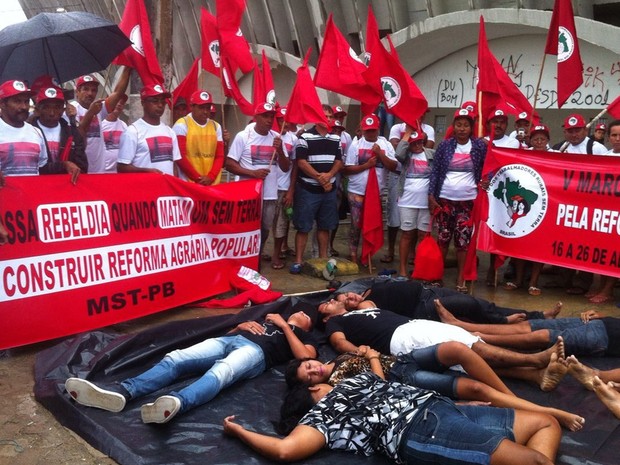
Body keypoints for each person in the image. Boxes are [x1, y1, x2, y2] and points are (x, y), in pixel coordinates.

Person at [223, 372, 561, 464]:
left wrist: (460, 402)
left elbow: (393, 387)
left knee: (546, 423)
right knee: (533, 461)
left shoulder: (355, 381)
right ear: (310, 392)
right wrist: (238, 431)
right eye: (311, 379)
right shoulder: (323, 414)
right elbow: (285, 451)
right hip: (419, 430)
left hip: (444, 408)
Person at [65, 310, 317, 423]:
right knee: (177, 358)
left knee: (222, 371)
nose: (304, 313)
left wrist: (285, 326)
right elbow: (229, 335)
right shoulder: (268, 320)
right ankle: (124, 392)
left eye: (308, 317)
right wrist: (238, 328)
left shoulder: (304, 337)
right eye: (302, 312)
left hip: (256, 353)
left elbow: (305, 357)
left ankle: (176, 403)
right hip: (231, 339)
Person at [288, 343, 584, 430]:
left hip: (403, 360)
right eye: (310, 377)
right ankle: (547, 411)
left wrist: (365, 352)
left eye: (309, 366)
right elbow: (377, 386)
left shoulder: (339, 357)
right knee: (476, 390)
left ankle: (515, 398)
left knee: (458, 349)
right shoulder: (336, 387)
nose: (314, 371)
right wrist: (373, 357)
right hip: (401, 380)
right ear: (313, 387)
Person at [318, 298, 564, 370]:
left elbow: (366, 302)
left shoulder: (359, 309)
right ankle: (535, 359)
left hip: (414, 325)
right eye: (326, 305)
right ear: (327, 317)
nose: (331, 301)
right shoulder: (335, 323)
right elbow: (340, 344)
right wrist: (364, 353)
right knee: (472, 348)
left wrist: (346, 300)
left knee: (473, 342)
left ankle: (532, 360)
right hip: (400, 338)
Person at [428, 108, 487, 292]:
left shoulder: (479, 146)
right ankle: (437, 276)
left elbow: (489, 167)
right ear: (453, 127)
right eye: (459, 125)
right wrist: (431, 195)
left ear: (471, 128)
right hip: (444, 201)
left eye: (466, 125)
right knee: (443, 240)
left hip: (467, 202)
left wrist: (487, 180)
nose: (462, 129)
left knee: (463, 242)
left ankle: (461, 278)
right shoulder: (445, 146)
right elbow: (435, 172)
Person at [335, 278, 562, 324]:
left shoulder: (366, 288)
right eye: (347, 302)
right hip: (423, 308)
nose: (350, 297)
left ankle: (538, 315)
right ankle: (504, 321)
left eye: (348, 295)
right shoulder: (367, 307)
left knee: (480, 304)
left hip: (427, 291)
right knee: (472, 306)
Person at [435, 304, 620, 358]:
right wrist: (601, 314)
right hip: (600, 323)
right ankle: (461, 325)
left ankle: (482, 338)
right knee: (529, 325)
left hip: (603, 339)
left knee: (543, 336)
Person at [226, 102, 289, 259]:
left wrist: (280, 150)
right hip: (248, 194)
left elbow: (286, 167)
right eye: (265, 116)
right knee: (245, 228)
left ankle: (257, 256)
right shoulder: (243, 136)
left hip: (269, 195)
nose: (269, 120)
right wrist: (252, 173)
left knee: (265, 228)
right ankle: (242, 257)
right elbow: (229, 164)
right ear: (256, 117)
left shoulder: (277, 138)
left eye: (271, 116)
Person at [289, 105, 343, 274]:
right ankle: (298, 261)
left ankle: (323, 260)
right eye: (324, 116)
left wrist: (329, 175)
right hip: (308, 189)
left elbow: (339, 161)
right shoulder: (304, 137)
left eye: (330, 116)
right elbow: (301, 162)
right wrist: (319, 177)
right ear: (317, 117)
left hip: (328, 190)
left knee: (324, 226)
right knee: (303, 227)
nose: (327, 119)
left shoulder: (336, 139)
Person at [343, 114, 396, 264]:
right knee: (356, 224)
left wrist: (380, 154)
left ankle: (367, 255)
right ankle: (353, 252)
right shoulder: (356, 145)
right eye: (367, 131)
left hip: (376, 192)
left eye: (373, 130)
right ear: (362, 130)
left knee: (372, 223)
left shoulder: (386, 145)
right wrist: (365, 166)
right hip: (357, 191)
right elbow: (347, 169)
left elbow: (393, 166)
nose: (370, 133)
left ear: (378, 129)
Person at [71, 69, 131, 173]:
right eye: (85, 89)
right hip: (81, 170)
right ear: (77, 92)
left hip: (99, 170)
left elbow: (117, 93)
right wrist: (90, 113)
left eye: (94, 90)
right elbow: (78, 136)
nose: (90, 93)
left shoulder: (98, 108)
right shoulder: (72, 110)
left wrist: (127, 69)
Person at [117, 84, 181, 175]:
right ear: (143, 103)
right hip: (144, 188)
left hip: (166, 188)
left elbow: (174, 165)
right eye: (155, 101)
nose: (160, 105)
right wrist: (146, 172)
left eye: (163, 102)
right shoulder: (133, 131)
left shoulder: (170, 132)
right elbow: (121, 167)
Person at [394, 127, 433, 278]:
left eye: (419, 142)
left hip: (426, 202)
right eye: (413, 143)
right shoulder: (406, 156)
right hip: (407, 200)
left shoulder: (431, 154)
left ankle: (420, 267)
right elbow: (398, 153)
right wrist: (408, 133)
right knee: (407, 234)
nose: (417, 145)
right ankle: (403, 268)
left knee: (424, 235)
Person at [31, 86, 86, 183]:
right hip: (37, 186)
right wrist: (62, 165)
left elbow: (82, 166)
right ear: (38, 109)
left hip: (66, 187)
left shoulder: (71, 132)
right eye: (46, 107)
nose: (52, 113)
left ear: (63, 109)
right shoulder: (30, 132)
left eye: (57, 107)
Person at [173, 90, 225, 185]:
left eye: (208, 108)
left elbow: (219, 156)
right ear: (192, 107)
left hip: (211, 183)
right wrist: (197, 178)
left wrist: (211, 177)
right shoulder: (182, 124)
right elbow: (180, 156)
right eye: (201, 107)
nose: (205, 112)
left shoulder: (216, 126)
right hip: (189, 183)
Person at [270, 106, 298, 269]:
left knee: (281, 223)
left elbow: (292, 167)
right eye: (281, 120)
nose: (284, 123)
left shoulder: (293, 140)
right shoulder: (270, 136)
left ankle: (276, 254)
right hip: (269, 187)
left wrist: (291, 190)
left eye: (287, 120)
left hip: (284, 187)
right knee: (265, 224)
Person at [100, 94, 128, 173]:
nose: (119, 104)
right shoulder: (100, 124)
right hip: (102, 172)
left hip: (119, 172)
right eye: (117, 101)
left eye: (122, 103)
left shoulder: (124, 125)